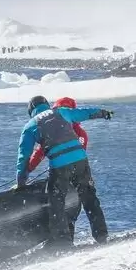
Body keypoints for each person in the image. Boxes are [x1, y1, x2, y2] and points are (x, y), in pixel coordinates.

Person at [17, 95, 114, 245]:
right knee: (89, 198)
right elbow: (85, 113)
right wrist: (104, 113)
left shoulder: (30, 126)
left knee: (57, 203)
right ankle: (102, 236)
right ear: (46, 105)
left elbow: (24, 156)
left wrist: (21, 180)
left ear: (31, 110)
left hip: (59, 165)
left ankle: (63, 243)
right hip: (81, 160)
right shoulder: (61, 112)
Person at [27, 96, 87, 225]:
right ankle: (99, 236)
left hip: (64, 175)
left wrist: (26, 171)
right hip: (79, 174)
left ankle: (62, 240)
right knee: (80, 205)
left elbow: (39, 153)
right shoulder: (80, 133)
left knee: (58, 205)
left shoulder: (53, 131)